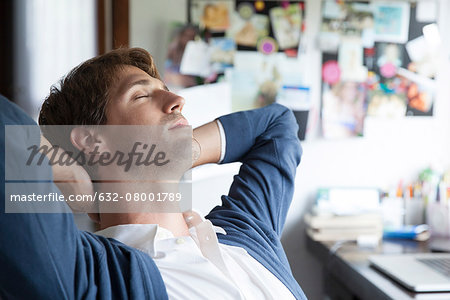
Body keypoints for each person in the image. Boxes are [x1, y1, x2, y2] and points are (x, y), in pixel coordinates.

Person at [0, 47, 306, 299]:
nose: (177, 102)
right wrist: (74, 178)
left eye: (166, 91)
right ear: (92, 142)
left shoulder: (246, 235)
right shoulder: (93, 274)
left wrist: (183, 151)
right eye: (141, 96)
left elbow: (277, 126)